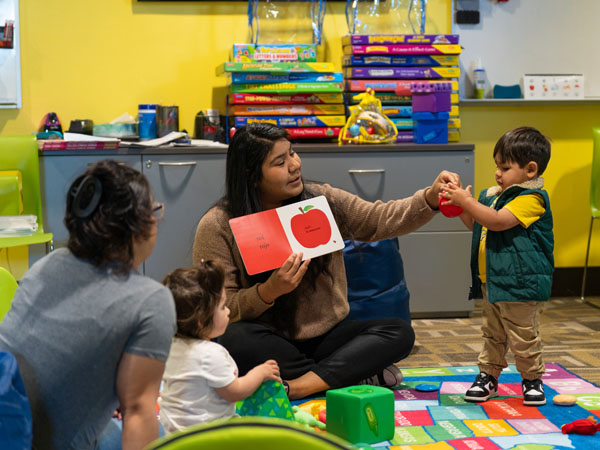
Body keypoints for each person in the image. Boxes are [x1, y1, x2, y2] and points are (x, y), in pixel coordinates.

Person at [192, 122, 460, 400]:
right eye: (280, 162)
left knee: (398, 333)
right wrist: (267, 292)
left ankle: (298, 386)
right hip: (267, 340)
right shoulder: (217, 225)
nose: (295, 165)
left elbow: (379, 219)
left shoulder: (320, 200)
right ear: (251, 174)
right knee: (231, 341)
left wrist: (430, 198)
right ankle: (346, 373)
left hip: (328, 337)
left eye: (293, 153)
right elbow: (217, 308)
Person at [0, 160, 177, 450]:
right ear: (137, 226)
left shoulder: (49, 264)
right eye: (153, 211)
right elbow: (138, 412)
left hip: (8, 417)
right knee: (157, 427)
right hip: (32, 440)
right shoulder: (150, 301)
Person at [441, 126, 553, 406]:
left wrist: (469, 202)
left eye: (504, 167)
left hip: (521, 282)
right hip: (492, 279)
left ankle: (532, 379)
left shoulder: (532, 199)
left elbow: (498, 221)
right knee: (493, 333)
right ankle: (487, 376)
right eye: (496, 166)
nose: (497, 173)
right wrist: (462, 207)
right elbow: (478, 224)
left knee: (523, 335)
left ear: (530, 170)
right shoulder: (491, 195)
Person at [159, 262, 281, 433]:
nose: (229, 311)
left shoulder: (172, 345)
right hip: (208, 434)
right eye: (222, 307)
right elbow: (235, 392)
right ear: (201, 321)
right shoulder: (210, 354)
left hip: (173, 432)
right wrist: (260, 373)